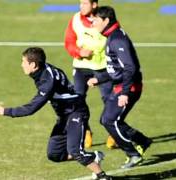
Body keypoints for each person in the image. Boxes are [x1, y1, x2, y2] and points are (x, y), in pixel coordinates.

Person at [0, 47, 113, 179]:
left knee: (75, 151)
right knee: (55, 154)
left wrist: (5, 111)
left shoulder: (47, 81)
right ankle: (94, 156)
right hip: (64, 115)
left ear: (33, 65)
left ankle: (102, 176)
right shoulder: (43, 70)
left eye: (23, 62)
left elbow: (32, 108)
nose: (21, 65)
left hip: (76, 112)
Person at [88, 6, 152, 169]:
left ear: (106, 20)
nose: (92, 22)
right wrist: (100, 78)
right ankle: (142, 141)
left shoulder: (117, 39)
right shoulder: (112, 36)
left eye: (95, 19)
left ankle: (133, 154)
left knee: (110, 120)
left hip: (128, 88)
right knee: (107, 120)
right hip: (121, 86)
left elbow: (130, 67)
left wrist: (124, 93)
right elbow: (116, 68)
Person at [64, 0, 116, 148]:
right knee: (77, 100)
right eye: (80, 3)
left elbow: (115, 39)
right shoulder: (75, 19)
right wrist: (79, 52)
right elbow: (68, 41)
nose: (81, 6)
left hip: (102, 69)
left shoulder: (104, 20)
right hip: (81, 67)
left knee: (109, 101)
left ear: (94, 5)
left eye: (85, 3)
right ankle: (86, 130)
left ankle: (113, 132)